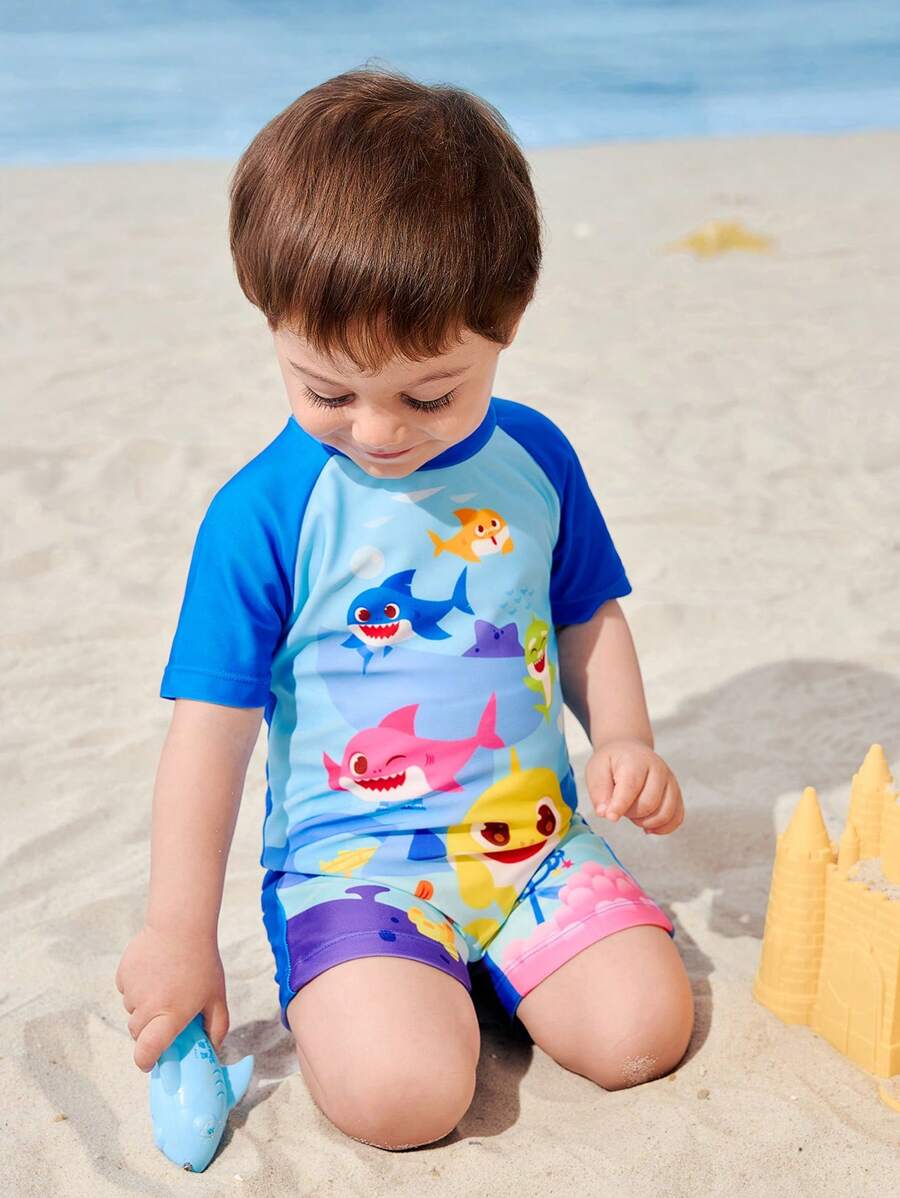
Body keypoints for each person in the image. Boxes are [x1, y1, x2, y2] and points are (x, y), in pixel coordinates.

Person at [116, 66, 694, 1151]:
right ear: (272, 324)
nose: (379, 432)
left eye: (430, 394)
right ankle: (398, 986)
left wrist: (623, 735)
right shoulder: (263, 513)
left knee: (641, 1036)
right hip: (357, 869)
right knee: (403, 1099)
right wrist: (176, 933)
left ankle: (487, 971)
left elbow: (585, 612)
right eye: (326, 390)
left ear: (508, 323)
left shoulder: (536, 460)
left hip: (532, 848)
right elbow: (210, 737)